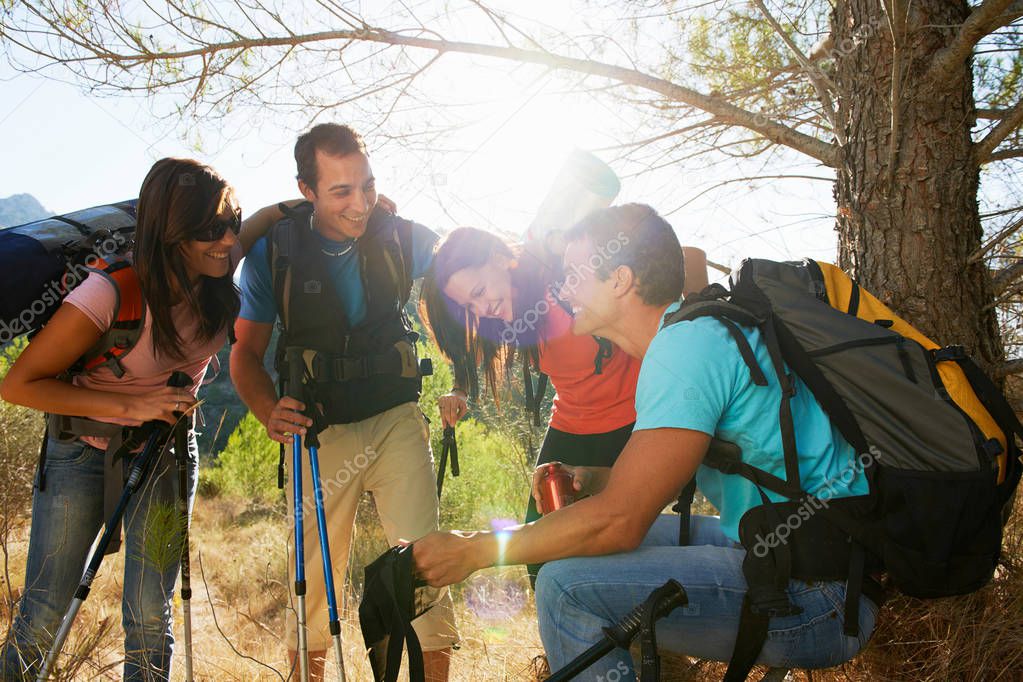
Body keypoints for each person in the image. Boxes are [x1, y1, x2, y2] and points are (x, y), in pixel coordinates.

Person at [410, 204, 877, 678]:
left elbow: (620, 523)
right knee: (568, 548)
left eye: (574, 275)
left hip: (820, 595)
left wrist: (474, 550)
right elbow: (651, 484)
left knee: (562, 588)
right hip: (779, 545)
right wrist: (593, 477)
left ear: (619, 280)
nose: (563, 289)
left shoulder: (682, 355)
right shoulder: (684, 337)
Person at [0, 158, 281, 681]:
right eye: (211, 228)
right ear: (173, 234)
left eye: (230, 222)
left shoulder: (215, 263)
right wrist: (134, 407)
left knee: (151, 616)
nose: (226, 239)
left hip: (166, 452)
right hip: (80, 450)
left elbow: (266, 218)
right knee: (43, 611)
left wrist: (331, 205)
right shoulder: (111, 291)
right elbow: (18, 385)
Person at [229, 123, 457, 681]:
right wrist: (266, 410)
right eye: (341, 192)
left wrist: (461, 374)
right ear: (306, 189)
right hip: (317, 431)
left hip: (396, 419)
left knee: (424, 569)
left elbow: (459, 282)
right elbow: (245, 353)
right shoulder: (274, 254)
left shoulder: (402, 237)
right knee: (310, 584)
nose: (360, 205)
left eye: (368, 186)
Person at [420, 227, 707, 583]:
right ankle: (580, 625)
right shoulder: (501, 316)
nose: (482, 309)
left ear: (499, 258)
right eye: (469, 306)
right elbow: (469, 354)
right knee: (541, 557)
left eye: (479, 293)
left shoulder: (557, 271)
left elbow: (691, 257)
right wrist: (459, 390)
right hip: (572, 423)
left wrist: (692, 345)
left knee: (616, 529)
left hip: (634, 416)